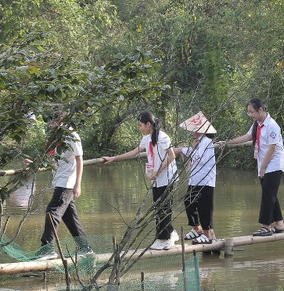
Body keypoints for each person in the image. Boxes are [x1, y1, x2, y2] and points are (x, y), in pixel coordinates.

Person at [102, 111, 178, 250]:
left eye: (141, 125)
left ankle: (165, 239)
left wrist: (157, 171)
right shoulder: (147, 138)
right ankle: (170, 233)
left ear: (149, 124)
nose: (140, 128)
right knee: (158, 207)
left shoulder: (163, 137)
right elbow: (134, 152)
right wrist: (114, 158)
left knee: (164, 208)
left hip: (167, 177)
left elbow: (172, 156)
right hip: (156, 177)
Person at [217, 98, 284, 237]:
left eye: (252, 112)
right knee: (270, 194)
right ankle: (279, 224)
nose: (251, 115)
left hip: (274, 164)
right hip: (264, 164)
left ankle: (266, 226)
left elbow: (272, 148)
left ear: (261, 110)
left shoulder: (272, 125)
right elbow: (248, 136)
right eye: (249, 112)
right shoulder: (257, 124)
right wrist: (227, 143)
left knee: (268, 195)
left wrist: (263, 168)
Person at [37, 113, 93, 259]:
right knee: (70, 218)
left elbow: (79, 160)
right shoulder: (57, 136)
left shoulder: (71, 135)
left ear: (61, 120)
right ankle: (85, 248)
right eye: (51, 121)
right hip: (59, 181)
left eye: (54, 121)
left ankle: (47, 248)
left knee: (52, 211)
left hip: (67, 182)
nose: (51, 124)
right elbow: (52, 160)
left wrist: (77, 184)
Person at [179, 111, 217, 245]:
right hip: (195, 180)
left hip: (205, 180)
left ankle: (208, 235)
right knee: (188, 202)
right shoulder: (198, 141)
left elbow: (200, 159)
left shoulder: (206, 142)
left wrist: (192, 149)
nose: (192, 131)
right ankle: (197, 228)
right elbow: (193, 153)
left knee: (204, 208)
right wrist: (185, 149)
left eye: (195, 128)